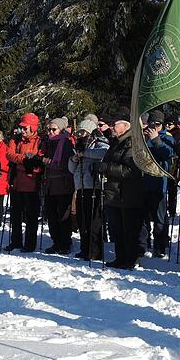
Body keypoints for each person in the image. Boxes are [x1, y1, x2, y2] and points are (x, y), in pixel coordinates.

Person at [97, 107, 145, 269]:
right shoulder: (117, 142)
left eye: (115, 124)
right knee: (117, 229)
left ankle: (130, 259)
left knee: (129, 230)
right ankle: (120, 257)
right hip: (115, 193)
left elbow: (132, 170)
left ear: (126, 126)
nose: (111, 127)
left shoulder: (132, 143)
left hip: (128, 194)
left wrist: (107, 168)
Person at [68, 119, 108, 260]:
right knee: (82, 220)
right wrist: (74, 159)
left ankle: (95, 251)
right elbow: (72, 169)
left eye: (83, 131)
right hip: (81, 186)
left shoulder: (98, 143)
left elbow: (104, 152)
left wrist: (85, 153)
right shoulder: (79, 146)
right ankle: (85, 248)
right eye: (78, 132)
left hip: (94, 186)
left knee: (94, 222)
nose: (80, 134)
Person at [4, 113, 42, 252]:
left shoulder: (39, 141)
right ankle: (16, 241)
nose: (23, 130)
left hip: (31, 183)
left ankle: (30, 244)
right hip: (16, 182)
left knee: (31, 216)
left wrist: (22, 160)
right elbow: (9, 154)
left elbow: (37, 160)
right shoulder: (16, 139)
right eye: (22, 127)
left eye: (25, 128)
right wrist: (24, 159)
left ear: (32, 127)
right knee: (15, 215)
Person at [141, 110, 174, 258]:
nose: (154, 127)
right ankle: (143, 245)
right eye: (152, 124)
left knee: (160, 218)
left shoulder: (166, 137)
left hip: (159, 183)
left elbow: (168, 154)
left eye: (158, 124)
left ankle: (160, 247)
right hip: (143, 182)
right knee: (142, 218)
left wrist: (156, 140)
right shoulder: (144, 136)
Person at [40, 117, 75, 254]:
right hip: (50, 185)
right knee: (51, 216)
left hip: (63, 185)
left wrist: (46, 162)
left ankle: (65, 243)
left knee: (63, 216)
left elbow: (65, 165)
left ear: (61, 130)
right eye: (49, 129)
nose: (50, 132)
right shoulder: (48, 143)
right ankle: (56, 242)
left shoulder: (65, 143)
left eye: (53, 129)